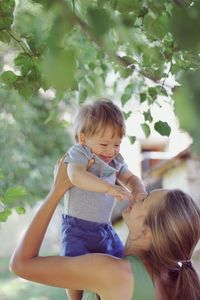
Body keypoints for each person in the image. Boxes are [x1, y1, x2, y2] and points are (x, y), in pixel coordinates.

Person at [10, 158, 200, 300]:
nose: (138, 196)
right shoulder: (176, 278)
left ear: (146, 232)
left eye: (145, 198)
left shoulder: (114, 272)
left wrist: (57, 190)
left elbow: (21, 264)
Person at [61, 99, 147, 299]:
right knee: (73, 270)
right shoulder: (79, 153)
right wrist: (108, 188)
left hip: (103, 227)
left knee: (119, 260)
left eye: (117, 144)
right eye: (104, 144)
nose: (111, 151)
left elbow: (130, 178)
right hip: (76, 227)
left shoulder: (115, 159)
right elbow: (77, 176)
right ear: (84, 138)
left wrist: (138, 191)